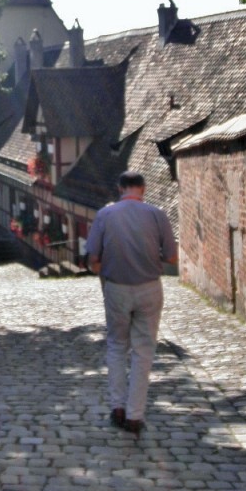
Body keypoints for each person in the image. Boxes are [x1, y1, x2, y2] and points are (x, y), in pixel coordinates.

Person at [85, 171, 178, 437]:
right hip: (149, 287)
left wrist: (105, 267)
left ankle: (117, 407)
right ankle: (135, 415)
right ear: (143, 189)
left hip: (116, 288)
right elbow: (172, 257)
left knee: (116, 346)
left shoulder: (105, 215)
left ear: (120, 188)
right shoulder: (157, 214)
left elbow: (93, 258)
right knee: (144, 350)